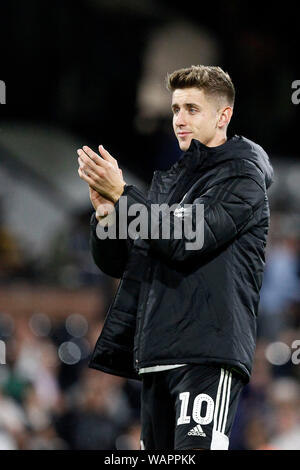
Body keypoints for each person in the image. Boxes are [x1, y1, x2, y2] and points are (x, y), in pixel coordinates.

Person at [76, 65, 274, 450]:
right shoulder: (172, 183)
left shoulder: (241, 178)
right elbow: (120, 263)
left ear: (224, 115)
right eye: (175, 109)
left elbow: (190, 236)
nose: (179, 120)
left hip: (206, 353)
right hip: (158, 355)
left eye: (192, 109)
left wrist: (125, 196)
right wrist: (106, 214)